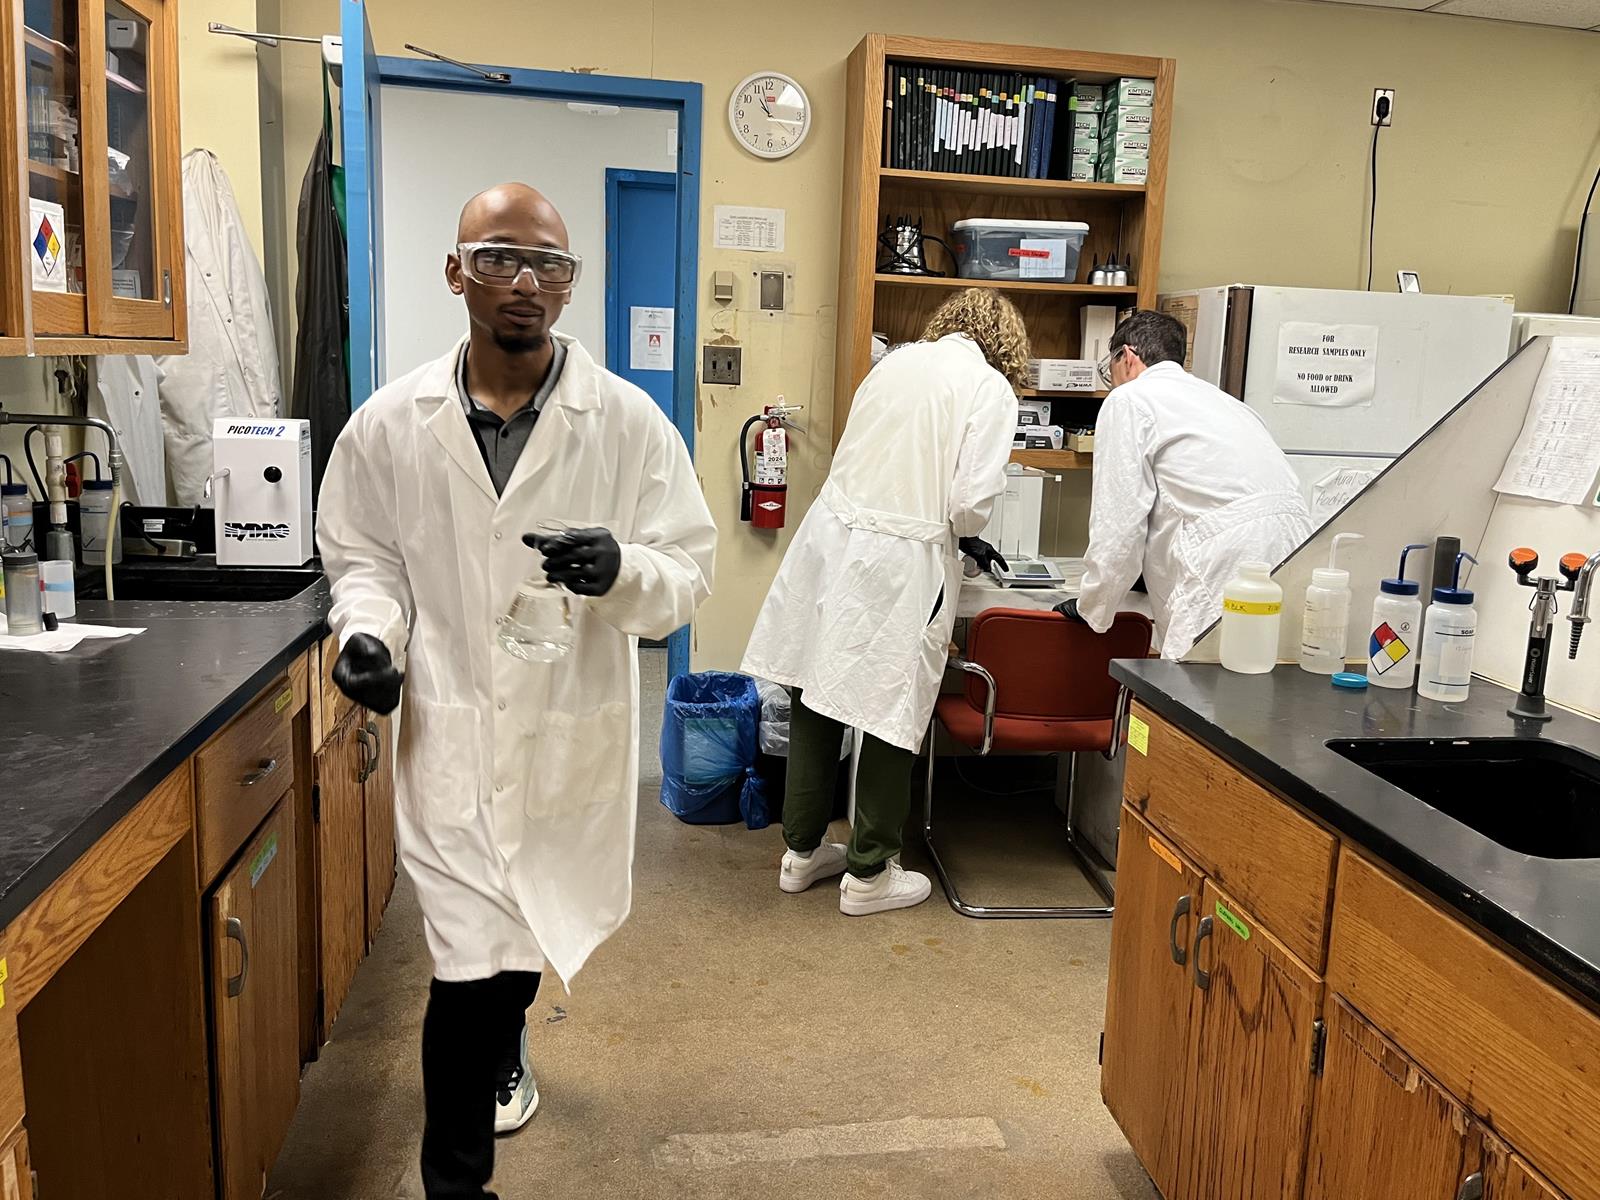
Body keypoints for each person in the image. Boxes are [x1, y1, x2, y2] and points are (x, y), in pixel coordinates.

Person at [316, 183, 716, 1200]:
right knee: (463, 964)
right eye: (498, 258)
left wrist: (619, 568)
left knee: (521, 940)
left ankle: (506, 1040)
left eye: (548, 265)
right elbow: (364, 559)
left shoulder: (625, 424)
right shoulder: (387, 425)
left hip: (564, 735)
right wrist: (365, 635)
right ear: (455, 271)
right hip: (449, 728)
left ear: (569, 286)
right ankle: (458, 1182)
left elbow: (686, 576)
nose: (524, 282)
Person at [742, 289, 1024, 915]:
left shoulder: (893, 361)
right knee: (892, 707)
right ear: (1006, 346)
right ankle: (869, 873)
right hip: (902, 561)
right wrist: (965, 533)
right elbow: (968, 504)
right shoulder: (989, 387)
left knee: (816, 689)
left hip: (832, 539)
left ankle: (801, 851)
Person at [1057, 309, 1311, 659]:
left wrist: (1093, 607)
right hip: (1299, 550)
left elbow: (1118, 524)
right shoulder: (1228, 404)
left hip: (1224, 565)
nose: (1111, 383)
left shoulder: (1130, 399)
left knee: (1197, 696)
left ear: (1127, 358)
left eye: (1109, 371)